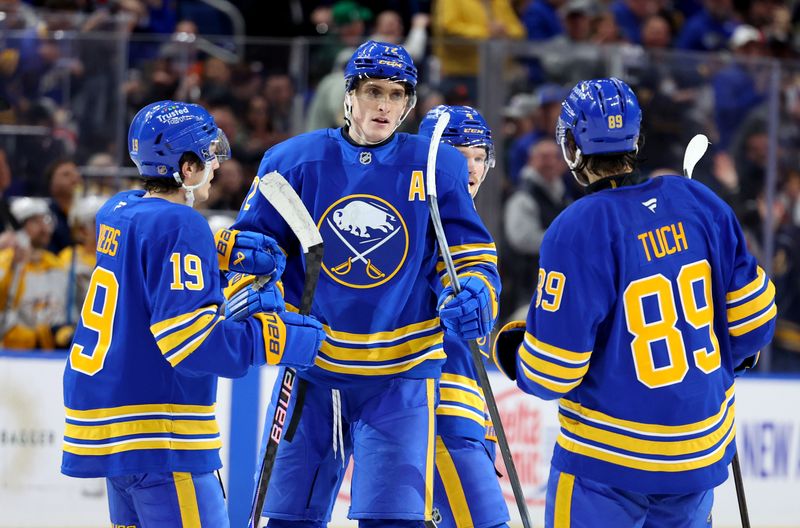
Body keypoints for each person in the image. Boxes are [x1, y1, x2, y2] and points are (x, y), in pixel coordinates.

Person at [232, 41, 500, 527]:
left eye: (396, 95)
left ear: (409, 104)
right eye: (373, 91)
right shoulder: (291, 162)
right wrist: (257, 290)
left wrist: (474, 289)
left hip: (402, 374)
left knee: (394, 521)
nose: (383, 105)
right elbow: (246, 253)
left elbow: (464, 254)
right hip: (311, 369)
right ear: (348, 95)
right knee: (287, 520)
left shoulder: (438, 166)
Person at [493, 78, 776, 527]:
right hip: (698, 456)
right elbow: (755, 325)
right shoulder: (699, 200)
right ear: (636, 138)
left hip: (609, 463)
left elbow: (553, 371)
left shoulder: (577, 227)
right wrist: (730, 353)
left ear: (571, 147)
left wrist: (511, 352)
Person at [61, 100, 326, 528]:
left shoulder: (118, 210)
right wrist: (278, 339)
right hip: (160, 433)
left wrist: (219, 251)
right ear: (186, 168)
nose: (216, 166)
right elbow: (192, 344)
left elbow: (146, 271)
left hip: (108, 430)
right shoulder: (182, 226)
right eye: (208, 155)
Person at [418, 105, 510, 528]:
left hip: (464, 412)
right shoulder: (418, 223)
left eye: (479, 157)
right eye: (460, 156)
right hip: (438, 411)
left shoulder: (466, 223)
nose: (472, 169)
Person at [0, 197, 71, 349]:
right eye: (35, 222)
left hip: (52, 353)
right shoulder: (5, 262)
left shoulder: (55, 263)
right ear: (19, 228)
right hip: (14, 354)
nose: (44, 228)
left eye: (45, 221)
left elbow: (62, 310)